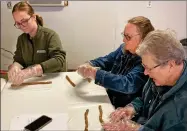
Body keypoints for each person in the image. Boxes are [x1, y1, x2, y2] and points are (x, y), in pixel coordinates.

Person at [102, 29, 187, 131]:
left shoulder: (181, 111)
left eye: (149, 68)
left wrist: (136, 129)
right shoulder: (159, 76)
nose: (145, 73)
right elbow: (144, 98)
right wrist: (132, 108)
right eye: (144, 66)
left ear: (170, 65)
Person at [77, 16, 154, 108]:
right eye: (124, 35)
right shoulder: (124, 48)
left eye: (128, 37)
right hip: (110, 99)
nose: (123, 40)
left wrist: (95, 74)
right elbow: (106, 61)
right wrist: (89, 64)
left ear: (143, 40)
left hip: (125, 109)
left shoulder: (146, 61)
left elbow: (127, 84)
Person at [8, 2, 66, 86]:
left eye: (24, 21)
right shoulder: (21, 39)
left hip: (52, 80)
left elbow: (59, 60)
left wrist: (33, 70)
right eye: (18, 23)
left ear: (33, 17)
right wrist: (15, 67)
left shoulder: (50, 35)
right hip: (32, 82)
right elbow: (19, 60)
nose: (21, 26)